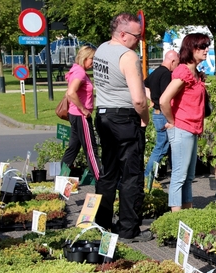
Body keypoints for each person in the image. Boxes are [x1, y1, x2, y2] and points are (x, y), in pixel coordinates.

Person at [93, 12, 151, 243]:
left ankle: (102, 223)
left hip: (103, 114)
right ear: (123, 34)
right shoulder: (128, 56)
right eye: (137, 36)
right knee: (131, 175)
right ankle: (129, 229)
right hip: (124, 119)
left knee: (108, 173)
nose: (139, 41)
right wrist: (144, 118)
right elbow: (138, 99)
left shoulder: (101, 50)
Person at [160, 33, 211, 212]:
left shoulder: (195, 73)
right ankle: (175, 219)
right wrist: (172, 121)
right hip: (182, 128)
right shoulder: (183, 71)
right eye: (202, 47)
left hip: (192, 129)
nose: (206, 50)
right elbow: (164, 99)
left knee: (189, 177)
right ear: (192, 48)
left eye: (207, 46)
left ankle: (188, 215)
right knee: (179, 177)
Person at [60, 45, 101, 181]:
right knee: (91, 149)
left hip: (75, 114)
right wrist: (83, 109)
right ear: (85, 58)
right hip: (81, 116)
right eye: (92, 59)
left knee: (73, 148)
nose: (93, 62)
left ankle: (61, 179)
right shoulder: (80, 73)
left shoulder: (76, 70)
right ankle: (101, 180)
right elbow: (71, 92)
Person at [144, 50, 179, 179]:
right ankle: (147, 176)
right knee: (162, 147)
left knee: (168, 145)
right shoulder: (165, 74)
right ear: (172, 61)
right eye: (177, 63)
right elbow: (166, 97)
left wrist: (152, 99)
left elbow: (144, 85)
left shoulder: (156, 72)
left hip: (156, 113)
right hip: (163, 114)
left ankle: (175, 171)